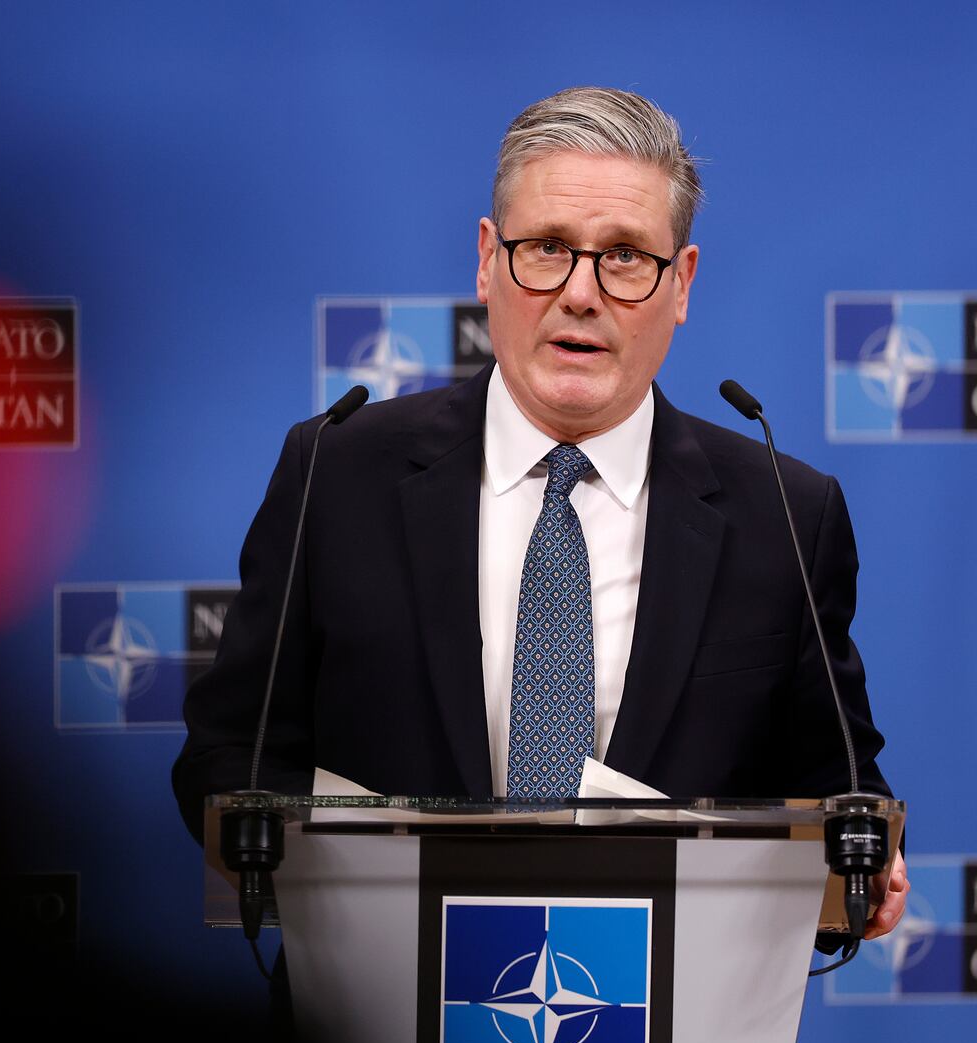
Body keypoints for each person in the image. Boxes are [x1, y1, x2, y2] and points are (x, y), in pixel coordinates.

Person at [172, 86, 906, 937]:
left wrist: (865, 865)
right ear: (488, 260)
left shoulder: (786, 511)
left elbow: (842, 784)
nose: (581, 293)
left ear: (682, 284)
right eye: (548, 247)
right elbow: (231, 753)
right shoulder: (336, 474)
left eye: (626, 256)